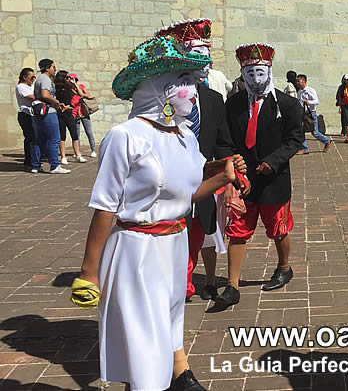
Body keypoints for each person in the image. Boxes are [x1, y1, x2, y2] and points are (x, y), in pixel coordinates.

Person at [71, 34, 244, 391]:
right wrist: (89, 273)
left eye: (191, 82)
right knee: (146, 348)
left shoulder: (184, 136)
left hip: (175, 244)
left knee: (169, 320)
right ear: (159, 89)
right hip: (136, 250)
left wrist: (223, 176)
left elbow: (188, 193)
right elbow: (105, 206)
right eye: (182, 83)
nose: (192, 92)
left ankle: (176, 375)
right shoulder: (125, 137)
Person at [216, 43, 305, 308]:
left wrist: (273, 161)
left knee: (278, 227)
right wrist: (233, 158)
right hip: (244, 180)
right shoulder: (232, 106)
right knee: (238, 229)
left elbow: (294, 139)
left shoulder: (287, 105)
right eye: (250, 73)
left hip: (273, 179)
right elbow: (224, 140)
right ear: (243, 74)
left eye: (260, 73)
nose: (256, 79)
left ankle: (284, 266)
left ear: (269, 72)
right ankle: (232, 286)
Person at [162, 19, 237, 303]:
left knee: (197, 235)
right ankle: (176, 290)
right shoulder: (161, 97)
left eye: (206, 56)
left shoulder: (214, 99)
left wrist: (229, 182)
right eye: (196, 55)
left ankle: (186, 285)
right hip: (168, 185)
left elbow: (223, 143)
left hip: (203, 185)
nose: (202, 63)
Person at [31, 59, 70, 174]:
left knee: (39, 139)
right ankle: (54, 165)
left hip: (40, 112)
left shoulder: (40, 79)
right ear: (47, 68)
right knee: (54, 138)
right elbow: (45, 95)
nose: (55, 70)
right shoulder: (45, 79)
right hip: (48, 112)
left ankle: (35, 165)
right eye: (53, 67)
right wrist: (56, 102)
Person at [55, 70, 86, 164]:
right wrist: (60, 106)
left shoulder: (69, 87)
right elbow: (54, 99)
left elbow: (80, 94)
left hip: (69, 112)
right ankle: (63, 156)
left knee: (74, 134)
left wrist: (74, 83)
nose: (69, 79)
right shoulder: (56, 87)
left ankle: (78, 154)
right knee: (62, 135)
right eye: (67, 77)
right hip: (60, 113)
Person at [298, 74, 333, 152]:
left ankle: (327, 141)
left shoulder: (311, 90)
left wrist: (309, 102)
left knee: (315, 132)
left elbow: (317, 101)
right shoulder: (299, 92)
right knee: (301, 131)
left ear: (304, 81)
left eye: (299, 81)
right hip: (303, 114)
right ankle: (304, 148)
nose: (297, 83)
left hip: (311, 114)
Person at [68, 73, 98, 158]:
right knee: (76, 134)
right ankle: (78, 151)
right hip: (74, 113)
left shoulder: (81, 86)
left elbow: (85, 95)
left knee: (88, 132)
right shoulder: (69, 89)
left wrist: (76, 85)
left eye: (72, 79)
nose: (70, 80)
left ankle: (93, 150)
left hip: (83, 112)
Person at [16, 68, 36, 169]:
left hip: (33, 114)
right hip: (25, 115)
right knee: (30, 138)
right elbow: (32, 97)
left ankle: (34, 159)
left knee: (34, 138)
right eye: (31, 77)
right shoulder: (21, 87)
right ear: (24, 77)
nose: (33, 79)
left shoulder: (31, 86)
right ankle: (29, 161)